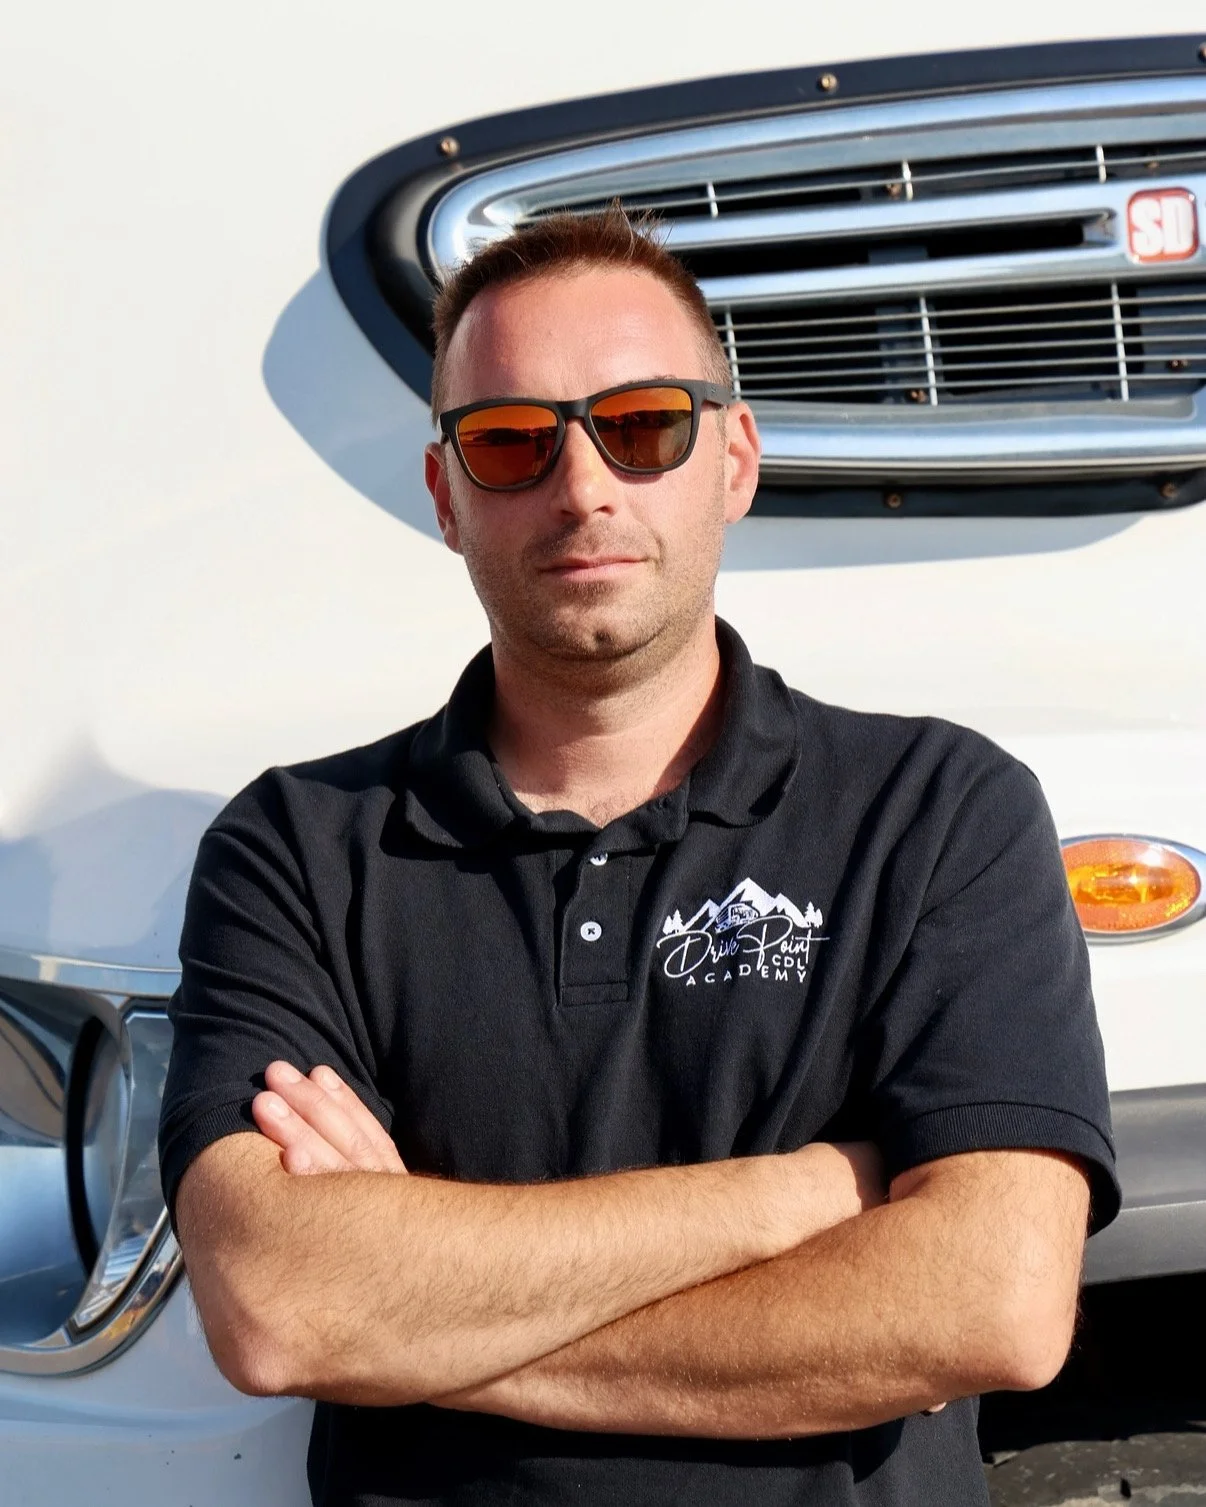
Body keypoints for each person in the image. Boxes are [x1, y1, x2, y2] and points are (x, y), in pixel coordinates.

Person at [159, 207, 1120, 1507]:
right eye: (511, 440)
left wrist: (414, 1318)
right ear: (446, 496)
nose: (584, 486)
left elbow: (990, 1303)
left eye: (643, 423)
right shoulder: (296, 847)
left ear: (732, 458)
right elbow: (280, 1303)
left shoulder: (937, 811)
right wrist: (798, 1197)